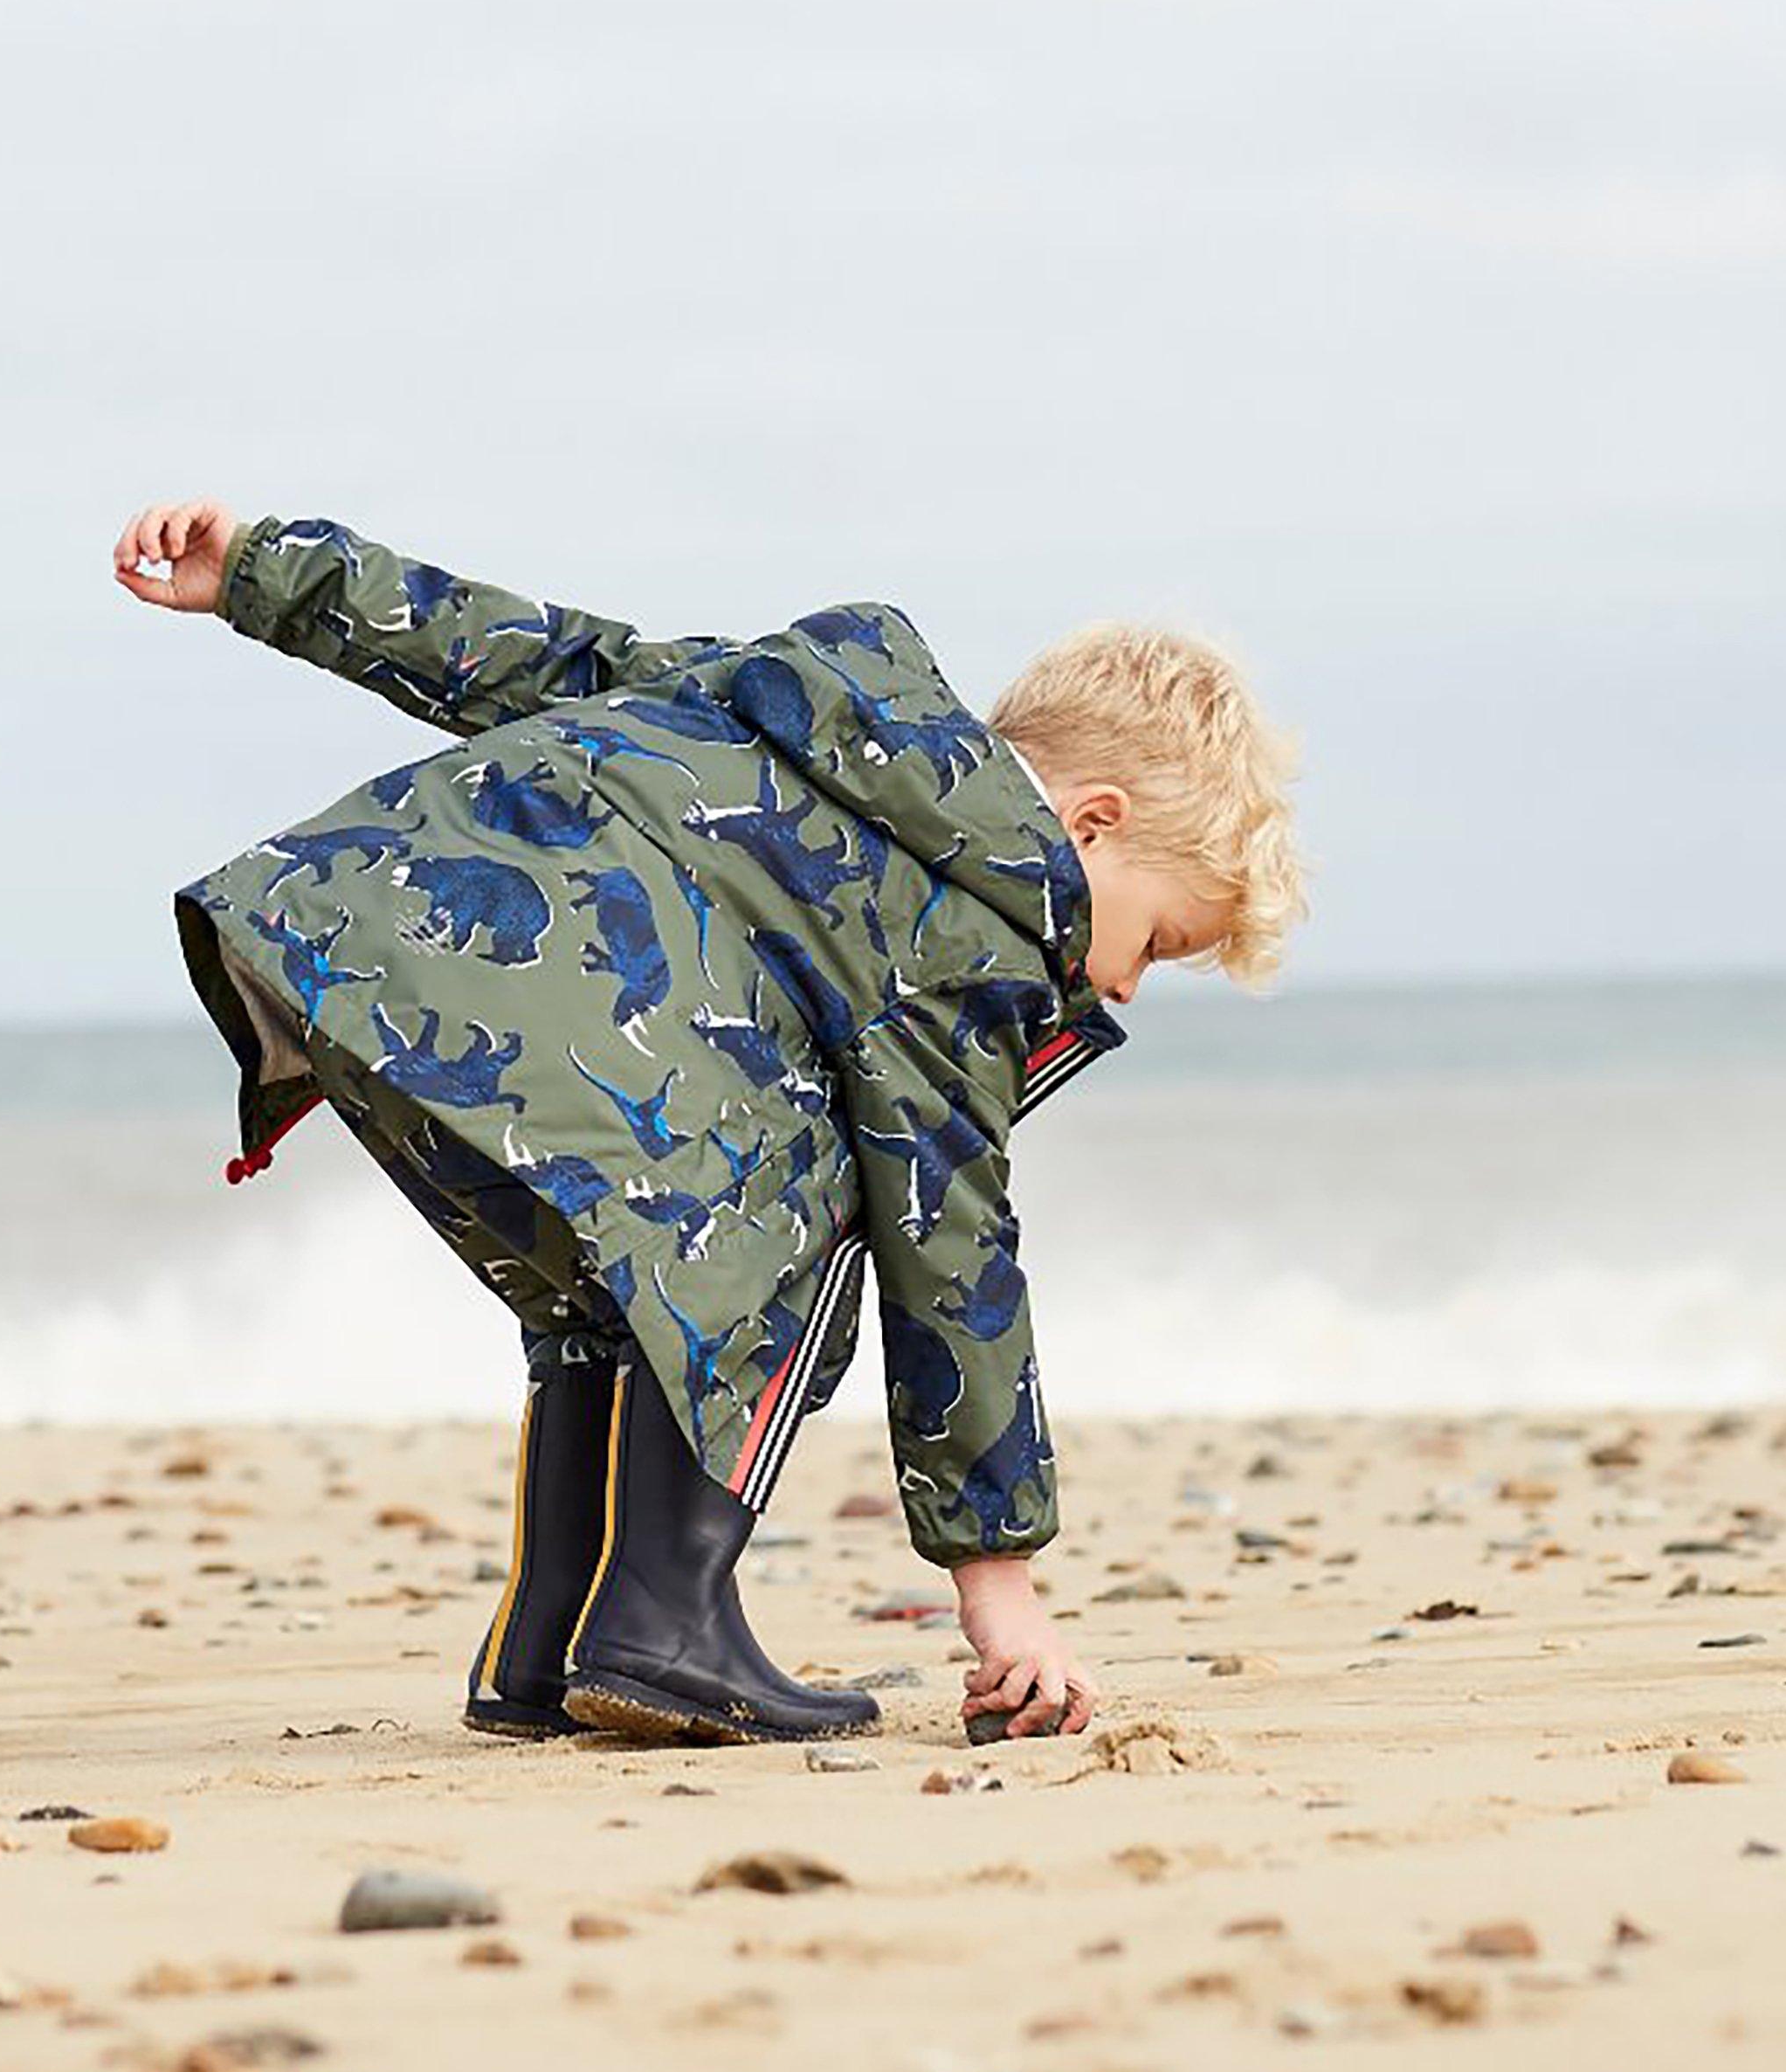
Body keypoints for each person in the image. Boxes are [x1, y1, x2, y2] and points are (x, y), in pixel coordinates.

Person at [115, 501, 1303, 1749]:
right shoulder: (975, 934)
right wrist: (998, 1586)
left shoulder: (798, 701)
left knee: (617, 1286)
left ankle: (550, 1643)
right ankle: (662, 1626)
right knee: (822, 1208)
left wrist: (261, 571)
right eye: (1158, 944)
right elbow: (950, 1249)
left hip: (357, 950)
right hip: (518, 1004)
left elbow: (530, 656)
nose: (1122, 987)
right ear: (1090, 825)